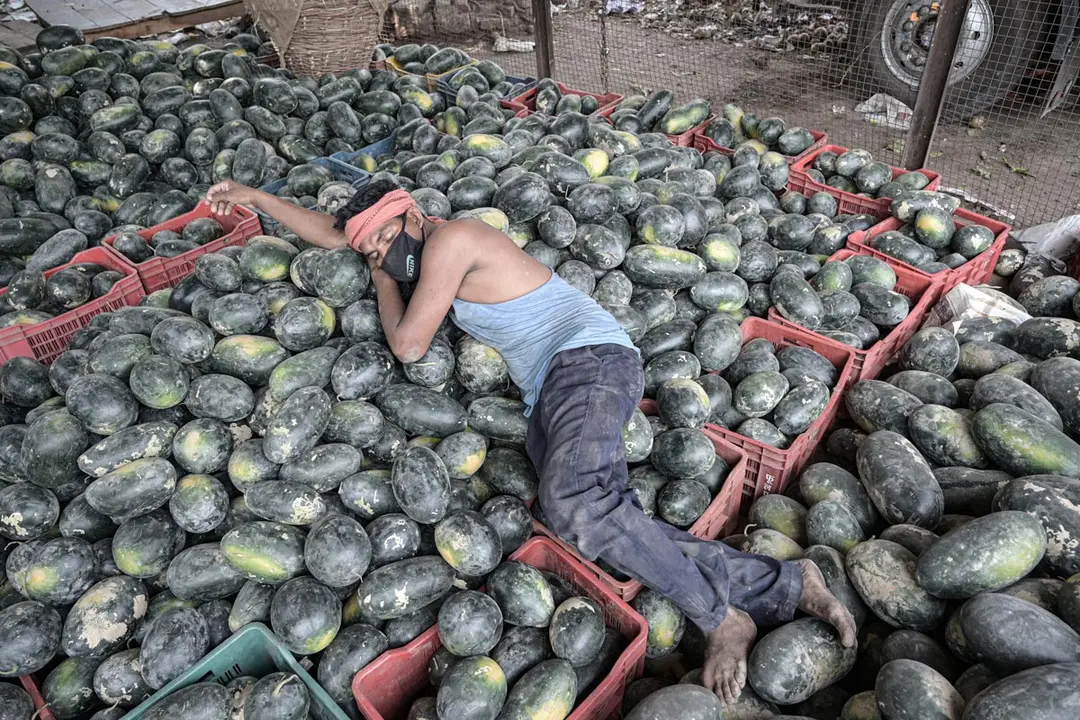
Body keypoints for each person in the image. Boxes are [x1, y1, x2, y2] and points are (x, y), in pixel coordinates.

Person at [205, 177, 857, 704]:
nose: (377, 256)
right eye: (371, 252)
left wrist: (380, 274)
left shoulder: (453, 238)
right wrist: (258, 201)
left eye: (382, 242)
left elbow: (408, 345)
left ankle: (720, 616)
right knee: (593, 515)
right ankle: (782, 585)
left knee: (578, 502)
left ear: (411, 217)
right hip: (553, 390)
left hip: (593, 362)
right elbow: (337, 232)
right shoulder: (403, 243)